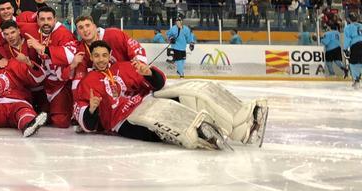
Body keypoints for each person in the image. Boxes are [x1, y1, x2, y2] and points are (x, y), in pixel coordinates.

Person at [74, 41, 266, 149]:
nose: (100, 59)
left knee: (191, 95)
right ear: (91, 57)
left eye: (104, 55)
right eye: (96, 55)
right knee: (163, 122)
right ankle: (202, 136)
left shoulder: (124, 67)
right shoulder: (87, 83)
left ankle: (242, 125)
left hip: (146, 102)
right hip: (124, 120)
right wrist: (92, 110)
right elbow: (86, 123)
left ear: (110, 55)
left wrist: (148, 73)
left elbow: (160, 83)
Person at [344, 13, 362, 88]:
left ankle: (356, 79)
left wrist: (345, 48)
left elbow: (348, 39)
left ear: (349, 19)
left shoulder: (348, 28)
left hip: (355, 46)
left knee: (353, 63)